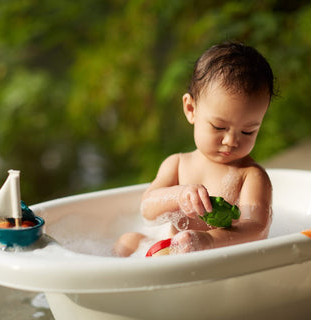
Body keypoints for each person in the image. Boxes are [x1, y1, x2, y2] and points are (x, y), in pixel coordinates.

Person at [114, 41, 276, 257]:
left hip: (219, 259)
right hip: (173, 251)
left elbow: (257, 229)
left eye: (248, 131)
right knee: (128, 241)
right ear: (191, 109)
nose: (230, 140)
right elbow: (147, 211)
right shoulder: (177, 164)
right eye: (219, 127)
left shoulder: (251, 176)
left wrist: (209, 241)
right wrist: (178, 196)